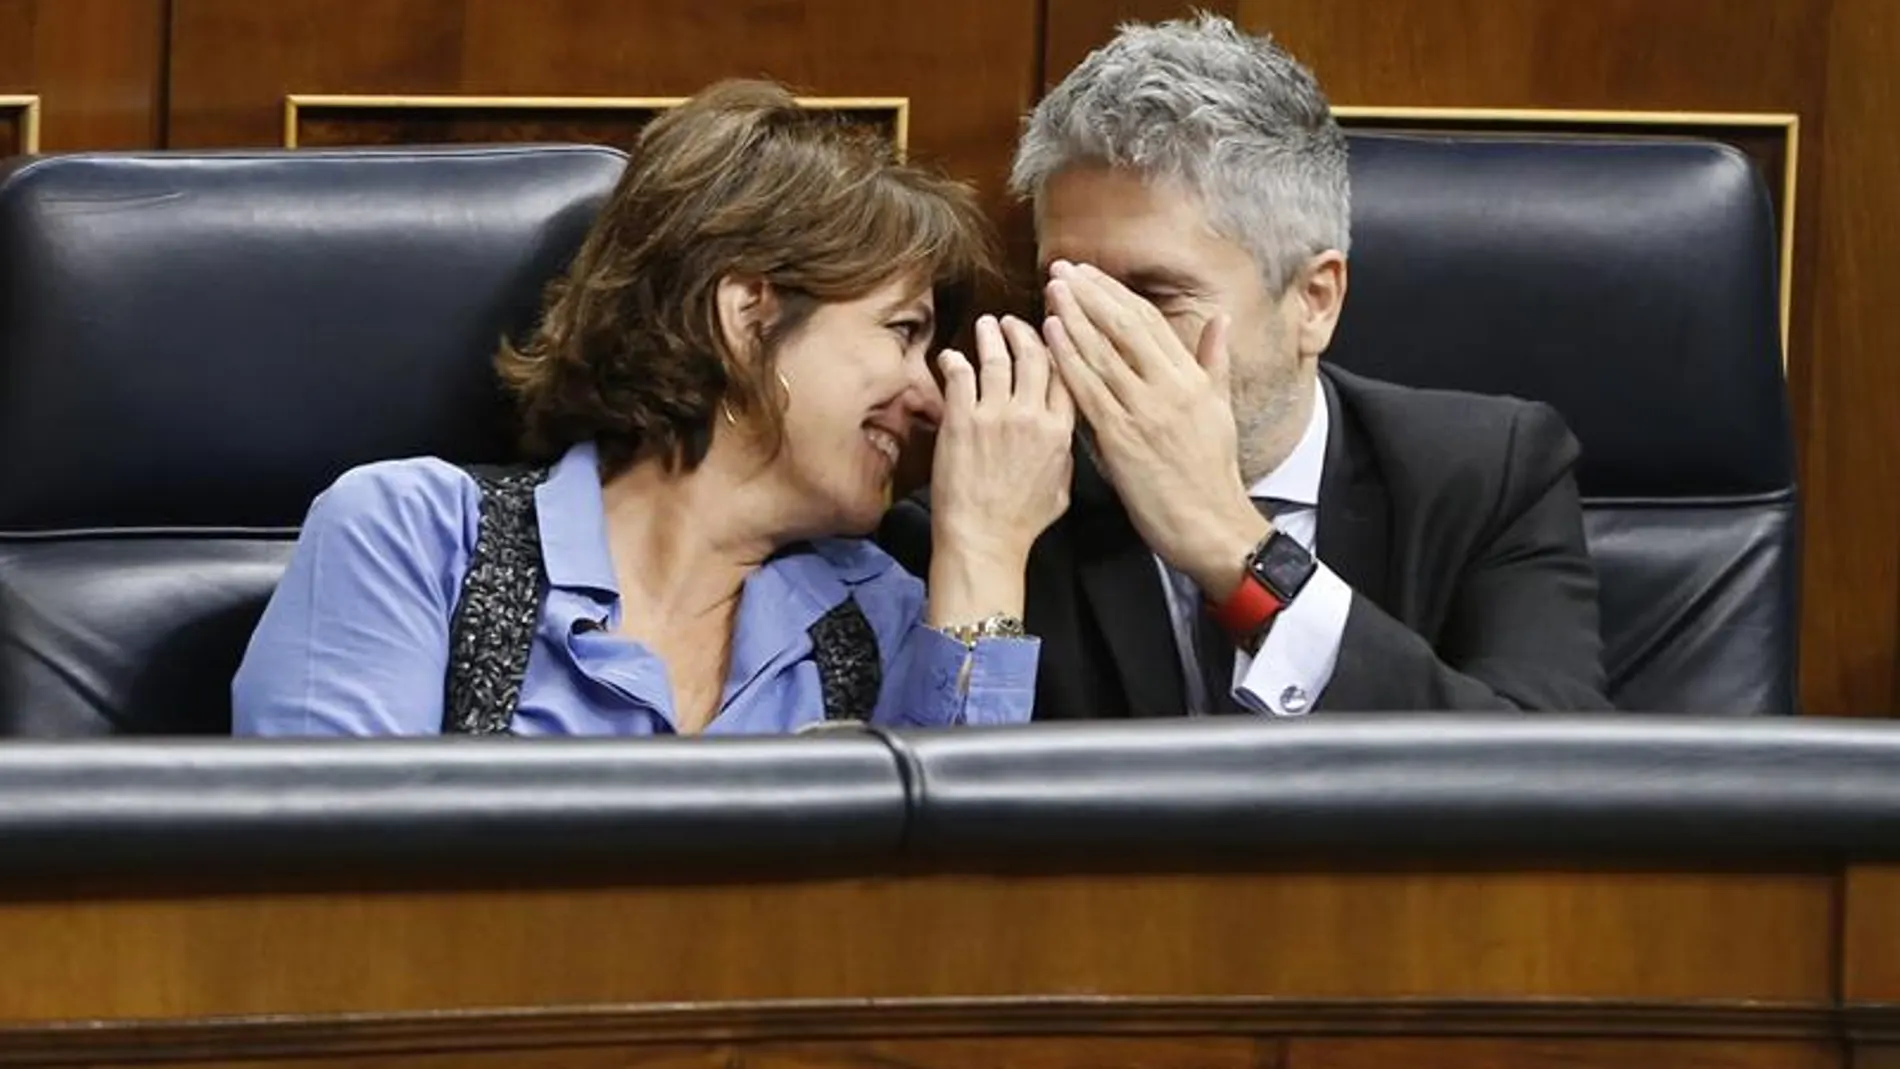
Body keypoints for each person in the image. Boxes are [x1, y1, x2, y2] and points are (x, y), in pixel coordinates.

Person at [233, 79, 1075, 737]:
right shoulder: (418, 538)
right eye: (902, 331)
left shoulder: (886, 611)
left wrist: (985, 552)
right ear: (748, 317)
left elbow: (948, 922)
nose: (930, 396)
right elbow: (326, 904)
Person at [880, 15, 1612, 716]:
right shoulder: (999, 506)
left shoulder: (1487, 475)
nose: (1087, 342)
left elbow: (1555, 785)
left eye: (1152, 296)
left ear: (1314, 302)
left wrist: (1237, 547)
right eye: (1064, 293)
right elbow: (964, 821)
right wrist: (983, 550)